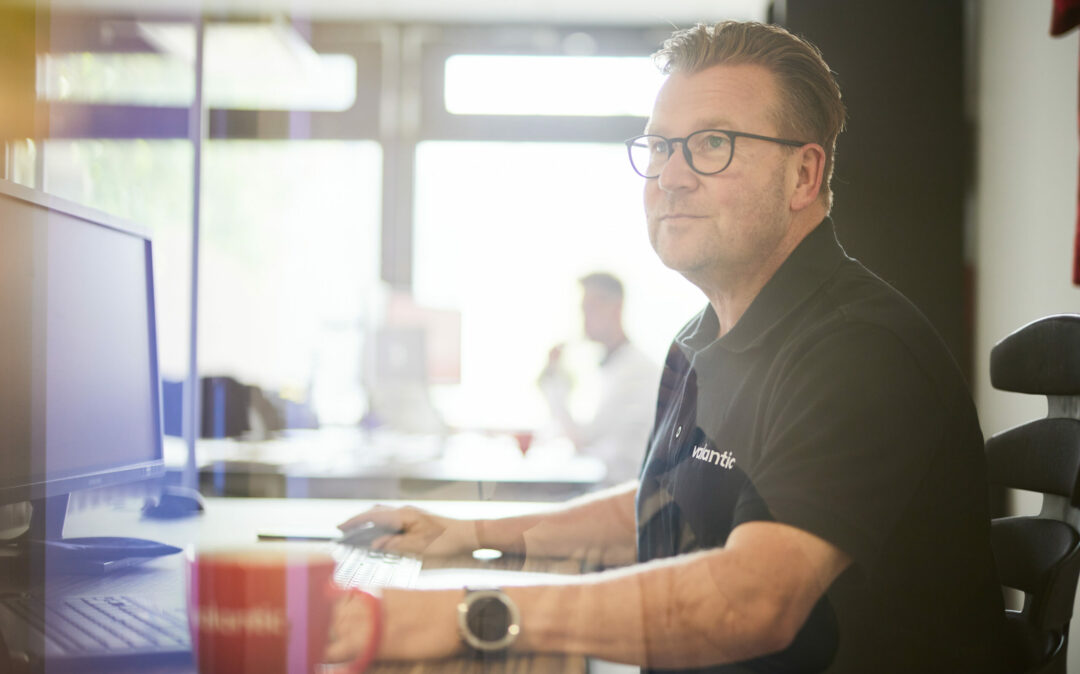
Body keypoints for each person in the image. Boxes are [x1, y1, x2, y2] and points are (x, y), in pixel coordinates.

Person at [325, 20, 1010, 673]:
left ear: (804, 176)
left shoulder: (859, 351)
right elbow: (669, 506)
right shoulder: (701, 337)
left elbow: (754, 601)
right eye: (659, 147)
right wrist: (473, 535)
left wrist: (466, 614)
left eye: (713, 143)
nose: (671, 177)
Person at [538, 272, 660, 486]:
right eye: (582, 310)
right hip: (609, 484)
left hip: (623, 490)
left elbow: (582, 439)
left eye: (590, 309)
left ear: (616, 308)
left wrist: (552, 382)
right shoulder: (613, 367)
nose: (583, 319)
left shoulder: (635, 372)